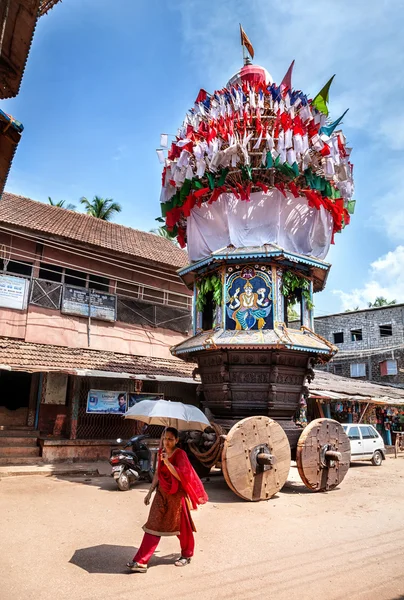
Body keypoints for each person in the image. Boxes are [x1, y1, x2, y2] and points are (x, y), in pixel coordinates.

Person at [126, 427, 208, 573]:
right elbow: (158, 472)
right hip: (162, 494)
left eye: (171, 439)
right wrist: (150, 492)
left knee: (182, 527)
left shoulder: (180, 454)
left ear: (177, 440)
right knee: (153, 523)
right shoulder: (161, 452)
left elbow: (182, 477)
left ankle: (187, 554)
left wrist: (168, 463)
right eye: (165, 438)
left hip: (177, 496)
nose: (167, 442)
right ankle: (141, 561)